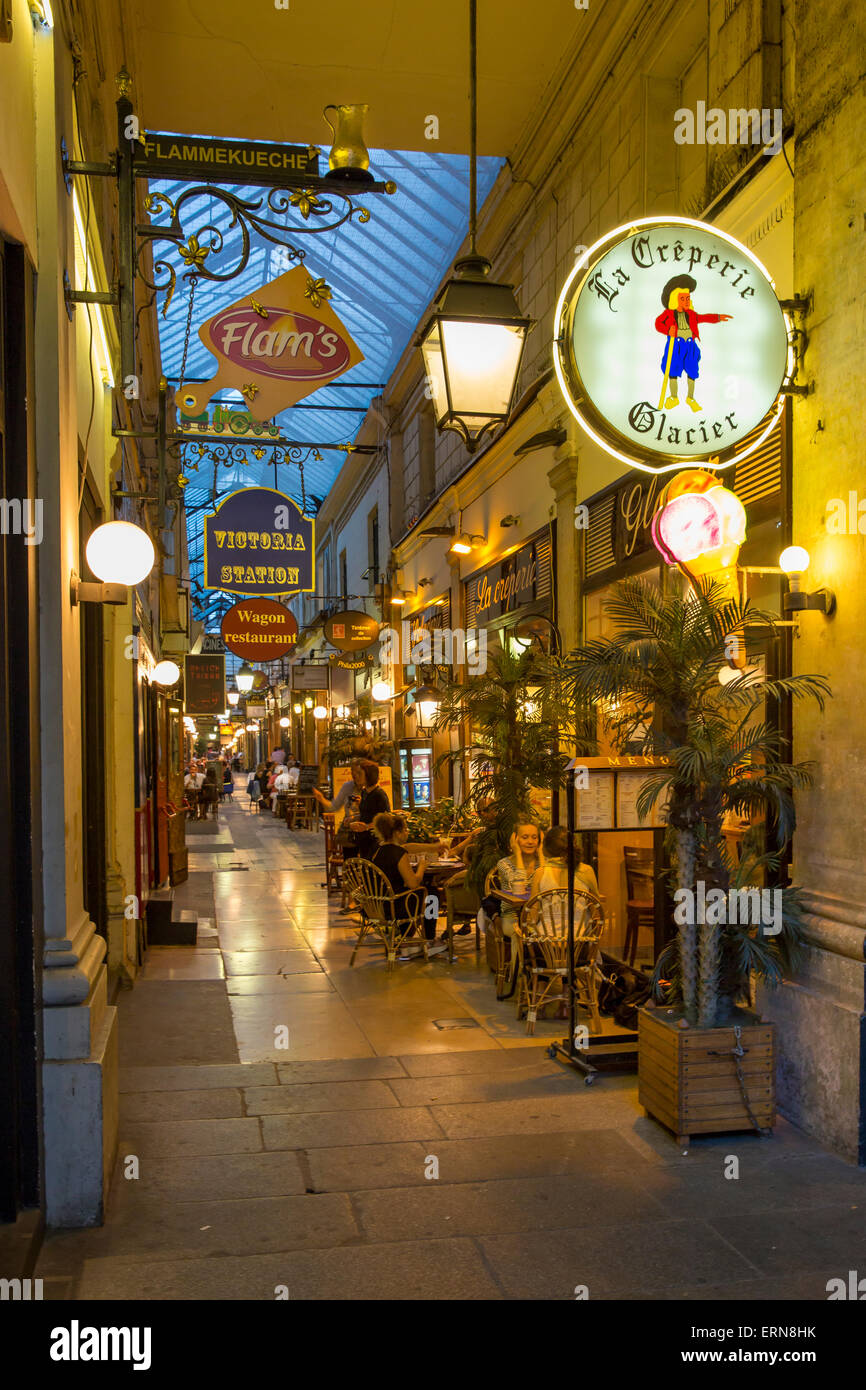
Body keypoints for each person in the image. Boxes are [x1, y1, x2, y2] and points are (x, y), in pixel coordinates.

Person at [371, 812, 445, 957]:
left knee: (418, 894)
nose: (407, 832)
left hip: (375, 904)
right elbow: (413, 883)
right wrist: (422, 867)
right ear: (397, 833)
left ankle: (404, 940)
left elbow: (408, 847)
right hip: (394, 906)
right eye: (405, 829)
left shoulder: (377, 849)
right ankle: (429, 939)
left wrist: (433, 847)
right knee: (432, 894)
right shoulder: (398, 854)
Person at [493, 821, 544, 939]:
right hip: (512, 915)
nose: (530, 842)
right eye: (525, 837)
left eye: (535, 837)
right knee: (519, 935)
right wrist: (518, 854)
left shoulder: (542, 862)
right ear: (515, 840)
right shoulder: (504, 863)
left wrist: (541, 852)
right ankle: (517, 958)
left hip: (539, 914)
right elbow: (520, 886)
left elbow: (547, 883)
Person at [348, 760, 390, 861]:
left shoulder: (379, 795)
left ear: (369, 775)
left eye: (360, 774)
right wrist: (353, 819)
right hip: (363, 840)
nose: (356, 776)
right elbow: (367, 814)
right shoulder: (364, 792)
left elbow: (386, 819)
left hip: (375, 841)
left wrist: (366, 827)